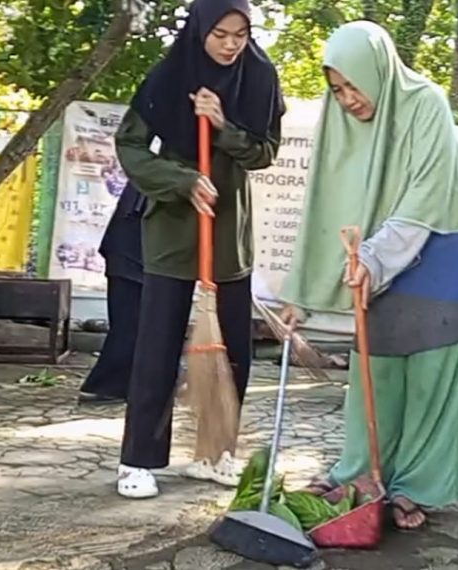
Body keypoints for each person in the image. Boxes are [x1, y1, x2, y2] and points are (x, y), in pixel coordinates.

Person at [279, 21, 458, 530]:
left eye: (354, 84)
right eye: (337, 89)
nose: (348, 99)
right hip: (378, 253)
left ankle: (414, 486)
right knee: (376, 368)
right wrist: (302, 293)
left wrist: (374, 259)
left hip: (445, 245)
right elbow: (325, 208)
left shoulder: (425, 102)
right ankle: (361, 473)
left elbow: (425, 192)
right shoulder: (341, 125)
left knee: (430, 376)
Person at [114, 0, 284, 499]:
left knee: (233, 346)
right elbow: (131, 147)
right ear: (200, 31)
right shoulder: (169, 75)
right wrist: (181, 179)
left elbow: (265, 152)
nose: (231, 44)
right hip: (174, 220)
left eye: (240, 34)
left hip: (228, 221)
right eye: (221, 34)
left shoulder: (260, 77)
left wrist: (223, 123)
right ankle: (137, 460)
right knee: (157, 342)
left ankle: (217, 453)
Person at [77, 183, 143, 405]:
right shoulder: (160, 173)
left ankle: (158, 379)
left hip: (133, 253)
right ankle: (105, 386)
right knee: (129, 326)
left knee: (139, 324)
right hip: (132, 254)